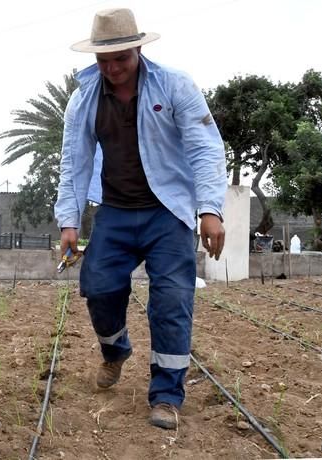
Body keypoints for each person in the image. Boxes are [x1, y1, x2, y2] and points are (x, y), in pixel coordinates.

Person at [55, 8, 226, 430]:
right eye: (103, 61)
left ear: (137, 49)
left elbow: (205, 149)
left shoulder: (174, 85)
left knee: (171, 302)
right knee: (97, 287)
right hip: (114, 211)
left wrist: (210, 209)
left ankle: (166, 394)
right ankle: (115, 352)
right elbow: (73, 163)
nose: (112, 69)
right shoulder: (84, 100)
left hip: (167, 213)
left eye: (121, 59)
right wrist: (69, 222)